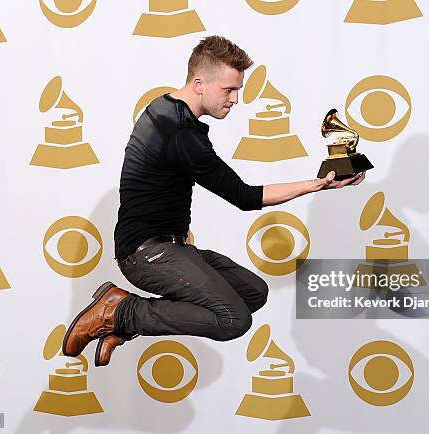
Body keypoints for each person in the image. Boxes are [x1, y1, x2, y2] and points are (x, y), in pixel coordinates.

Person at [62, 35, 365, 367]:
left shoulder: (164, 108)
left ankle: (125, 318)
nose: (235, 99)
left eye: (238, 90)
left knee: (253, 292)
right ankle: (121, 312)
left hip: (171, 245)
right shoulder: (181, 133)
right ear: (199, 83)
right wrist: (318, 185)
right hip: (147, 254)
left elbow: (159, 180)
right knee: (234, 320)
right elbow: (246, 197)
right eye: (229, 90)